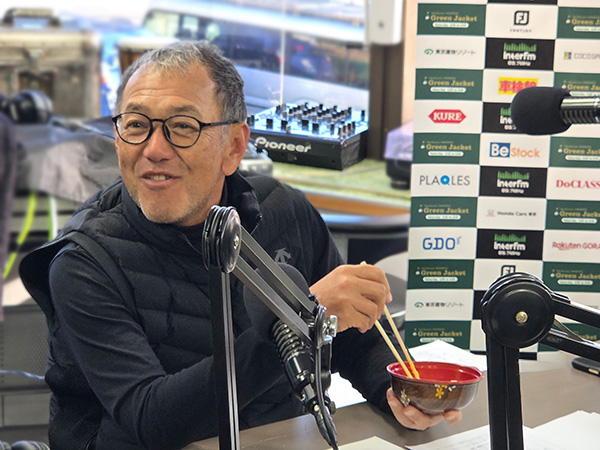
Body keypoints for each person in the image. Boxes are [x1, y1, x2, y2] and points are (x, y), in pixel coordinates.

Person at [20, 40, 461, 450]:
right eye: (135, 125)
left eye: (182, 127)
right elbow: (152, 422)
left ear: (233, 146)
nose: (153, 149)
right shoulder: (83, 262)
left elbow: (354, 341)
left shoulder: (284, 212)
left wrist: (395, 392)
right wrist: (299, 320)